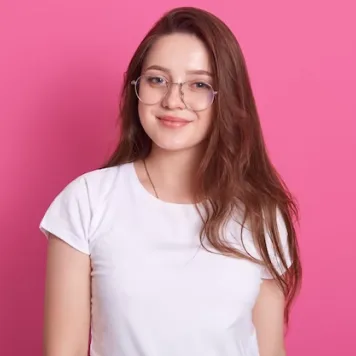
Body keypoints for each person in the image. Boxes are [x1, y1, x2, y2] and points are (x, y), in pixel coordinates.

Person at [40, 6, 302, 356]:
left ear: (227, 97)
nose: (173, 100)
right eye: (157, 79)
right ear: (136, 88)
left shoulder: (260, 215)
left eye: (199, 84)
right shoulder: (87, 202)